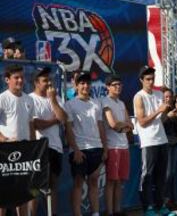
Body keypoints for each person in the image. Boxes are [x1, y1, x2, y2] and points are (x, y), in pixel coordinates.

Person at [133, 66, 175, 216]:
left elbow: (160, 120)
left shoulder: (159, 94)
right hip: (149, 141)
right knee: (147, 176)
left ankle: (160, 206)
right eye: (147, 79)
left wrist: (168, 114)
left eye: (152, 78)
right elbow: (142, 121)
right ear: (141, 80)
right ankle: (148, 208)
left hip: (161, 139)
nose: (151, 81)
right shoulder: (139, 97)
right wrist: (158, 110)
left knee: (161, 176)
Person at [64, 72, 107, 216]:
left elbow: (101, 126)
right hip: (80, 149)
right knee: (78, 183)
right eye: (82, 83)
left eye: (87, 83)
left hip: (97, 148)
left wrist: (104, 148)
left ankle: (95, 213)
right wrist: (75, 149)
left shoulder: (96, 103)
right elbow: (68, 130)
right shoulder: (69, 104)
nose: (85, 86)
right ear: (76, 86)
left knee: (94, 182)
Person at [29, 67, 67, 216]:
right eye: (45, 80)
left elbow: (63, 119)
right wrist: (53, 120)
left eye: (50, 79)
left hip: (56, 148)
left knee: (53, 185)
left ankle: (53, 214)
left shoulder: (55, 98)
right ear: (36, 83)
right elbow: (36, 124)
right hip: (40, 147)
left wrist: (53, 100)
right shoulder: (30, 99)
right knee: (36, 186)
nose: (49, 83)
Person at [0, 65, 35, 216]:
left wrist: (34, 148)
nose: (20, 80)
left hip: (25, 153)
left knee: (23, 193)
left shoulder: (29, 99)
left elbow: (31, 126)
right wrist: (4, 139)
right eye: (16, 77)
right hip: (5, 153)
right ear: (7, 79)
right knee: (3, 193)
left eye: (22, 77)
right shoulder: (2, 98)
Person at [102, 75, 133, 216]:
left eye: (119, 84)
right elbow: (113, 124)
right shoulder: (105, 101)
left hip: (124, 146)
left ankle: (117, 210)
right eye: (114, 84)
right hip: (112, 146)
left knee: (120, 181)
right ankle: (109, 212)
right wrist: (123, 125)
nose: (118, 87)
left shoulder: (121, 103)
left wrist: (124, 126)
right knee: (111, 181)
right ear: (107, 87)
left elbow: (130, 124)